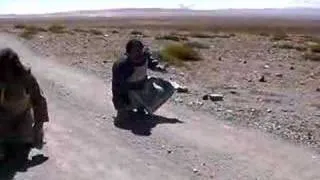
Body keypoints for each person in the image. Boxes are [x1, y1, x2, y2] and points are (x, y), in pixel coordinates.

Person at [0, 48, 49, 164]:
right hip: (2, 116)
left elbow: (39, 101)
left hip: (22, 116)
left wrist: (38, 128)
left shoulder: (26, 78)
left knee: (24, 142)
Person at [112, 39, 173, 126]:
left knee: (166, 88)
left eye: (139, 50)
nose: (138, 53)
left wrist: (159, 68)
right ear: (129, 52)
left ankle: (141, 107)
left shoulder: (144, 57)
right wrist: (120, 105)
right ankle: (128, 108)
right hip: (127, 92)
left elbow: (151, 64)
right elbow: (117, 87)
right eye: (135, 51)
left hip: (142, 86)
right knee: (124, 120)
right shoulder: (122, 64)